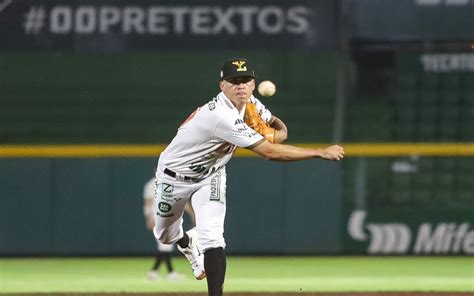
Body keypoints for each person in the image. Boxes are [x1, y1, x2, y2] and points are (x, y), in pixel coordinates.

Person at [152, 57, 344, 295]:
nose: (240, 85)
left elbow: (277, 136)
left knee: (212, 235)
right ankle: (187, 243)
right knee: (165, 235)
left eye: (245, 80)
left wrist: (276, 125)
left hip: (212, 174)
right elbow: (271, 152)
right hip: (174, 176)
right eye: (234, 81)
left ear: (253, 84)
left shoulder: (250, 103)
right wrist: (319, 152)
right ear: (222, 86)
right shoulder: (220, 115)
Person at [143, 177, 195, 281]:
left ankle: (154, 272)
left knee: (164, 247)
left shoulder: (172, 181)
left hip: (169, 216)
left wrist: (192, 213)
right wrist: (149, 218)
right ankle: (169, 273)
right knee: (165, 246)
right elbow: (148, 203)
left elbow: (180, 200)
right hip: (157, 217)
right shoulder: (151, 184)